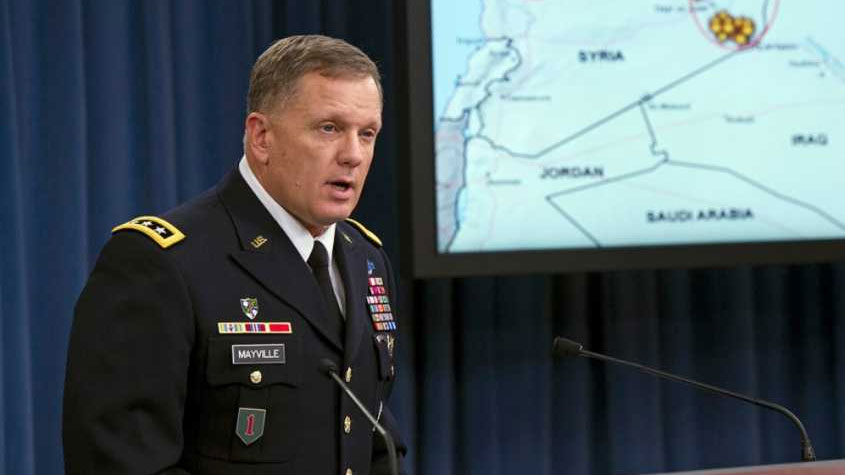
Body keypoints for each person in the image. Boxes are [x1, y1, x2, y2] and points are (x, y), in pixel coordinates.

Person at [63, 35, 405, 475]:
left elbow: (373, 437)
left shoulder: (366, 260)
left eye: (367, 134)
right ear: (261, 137)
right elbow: (118, 462)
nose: (353, 155)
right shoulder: (161, 263)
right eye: (329, 128)